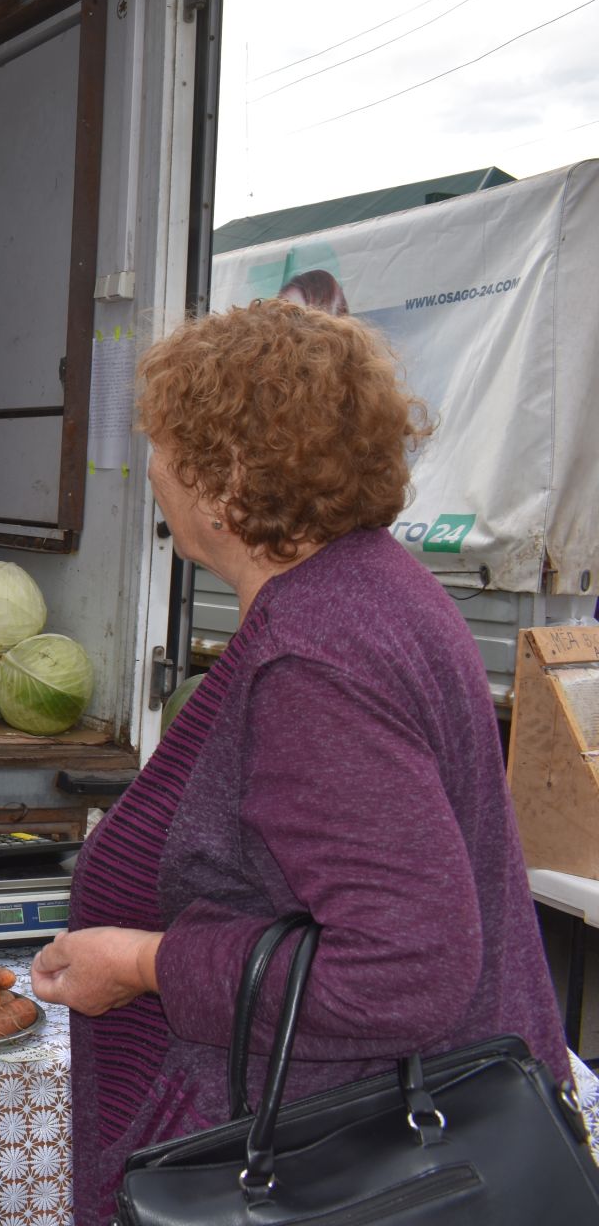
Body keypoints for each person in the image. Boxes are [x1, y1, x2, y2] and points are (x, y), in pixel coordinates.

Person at [30, 300, 569, 1224]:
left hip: (343, 1158)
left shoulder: (317, 657)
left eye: (162, 445)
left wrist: (147, 961)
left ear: (226, 477)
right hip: (367, 1125)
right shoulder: (373, 586)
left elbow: (406, 969)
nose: (152, 471)